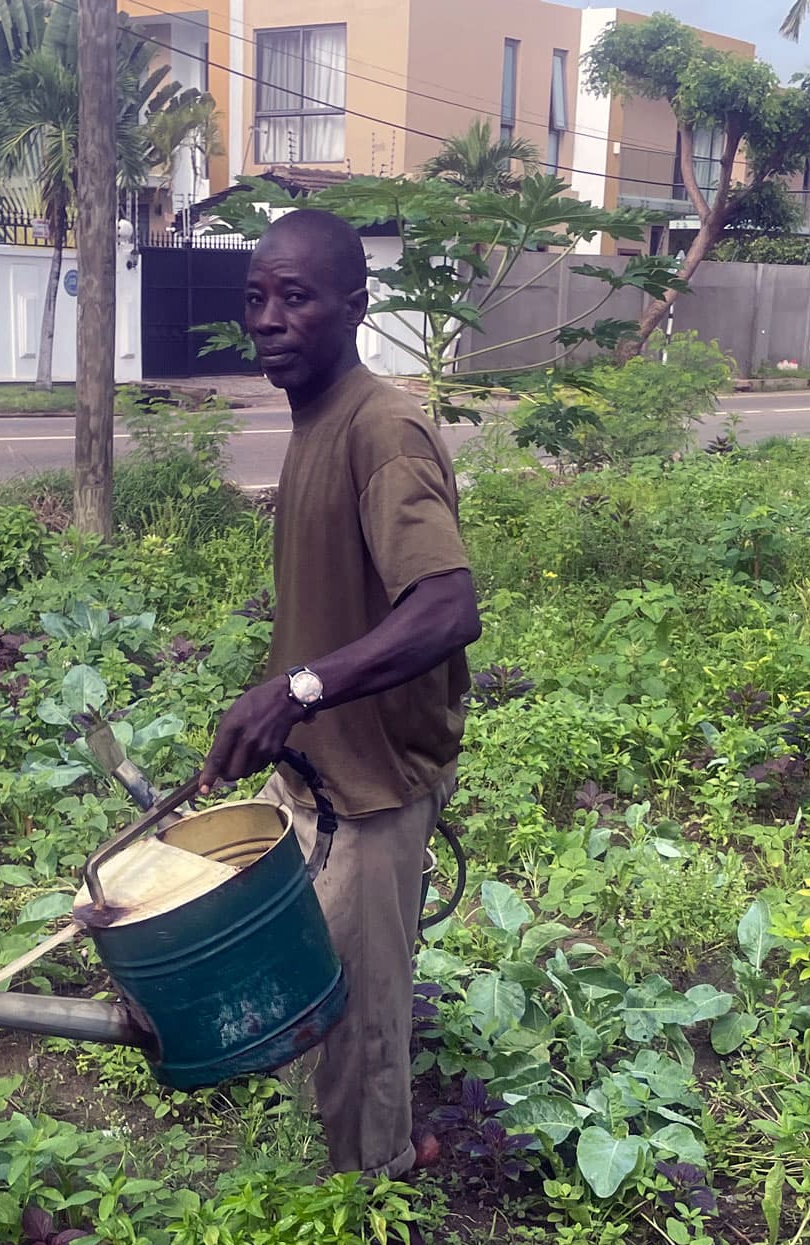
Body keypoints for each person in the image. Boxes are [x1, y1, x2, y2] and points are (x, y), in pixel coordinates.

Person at [203, 208, 480, 1184]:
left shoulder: (381, 427)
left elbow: (447, 605)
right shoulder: (315, 417)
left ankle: (377, 1208)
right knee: (318, 1003)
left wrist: (301, 687)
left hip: (372, 789)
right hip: (321, 779)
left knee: (362, 1030)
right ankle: (340, 1169)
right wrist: (274, 707)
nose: (269, 319)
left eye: (296, 296)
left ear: (355, 306)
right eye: (256, 299)